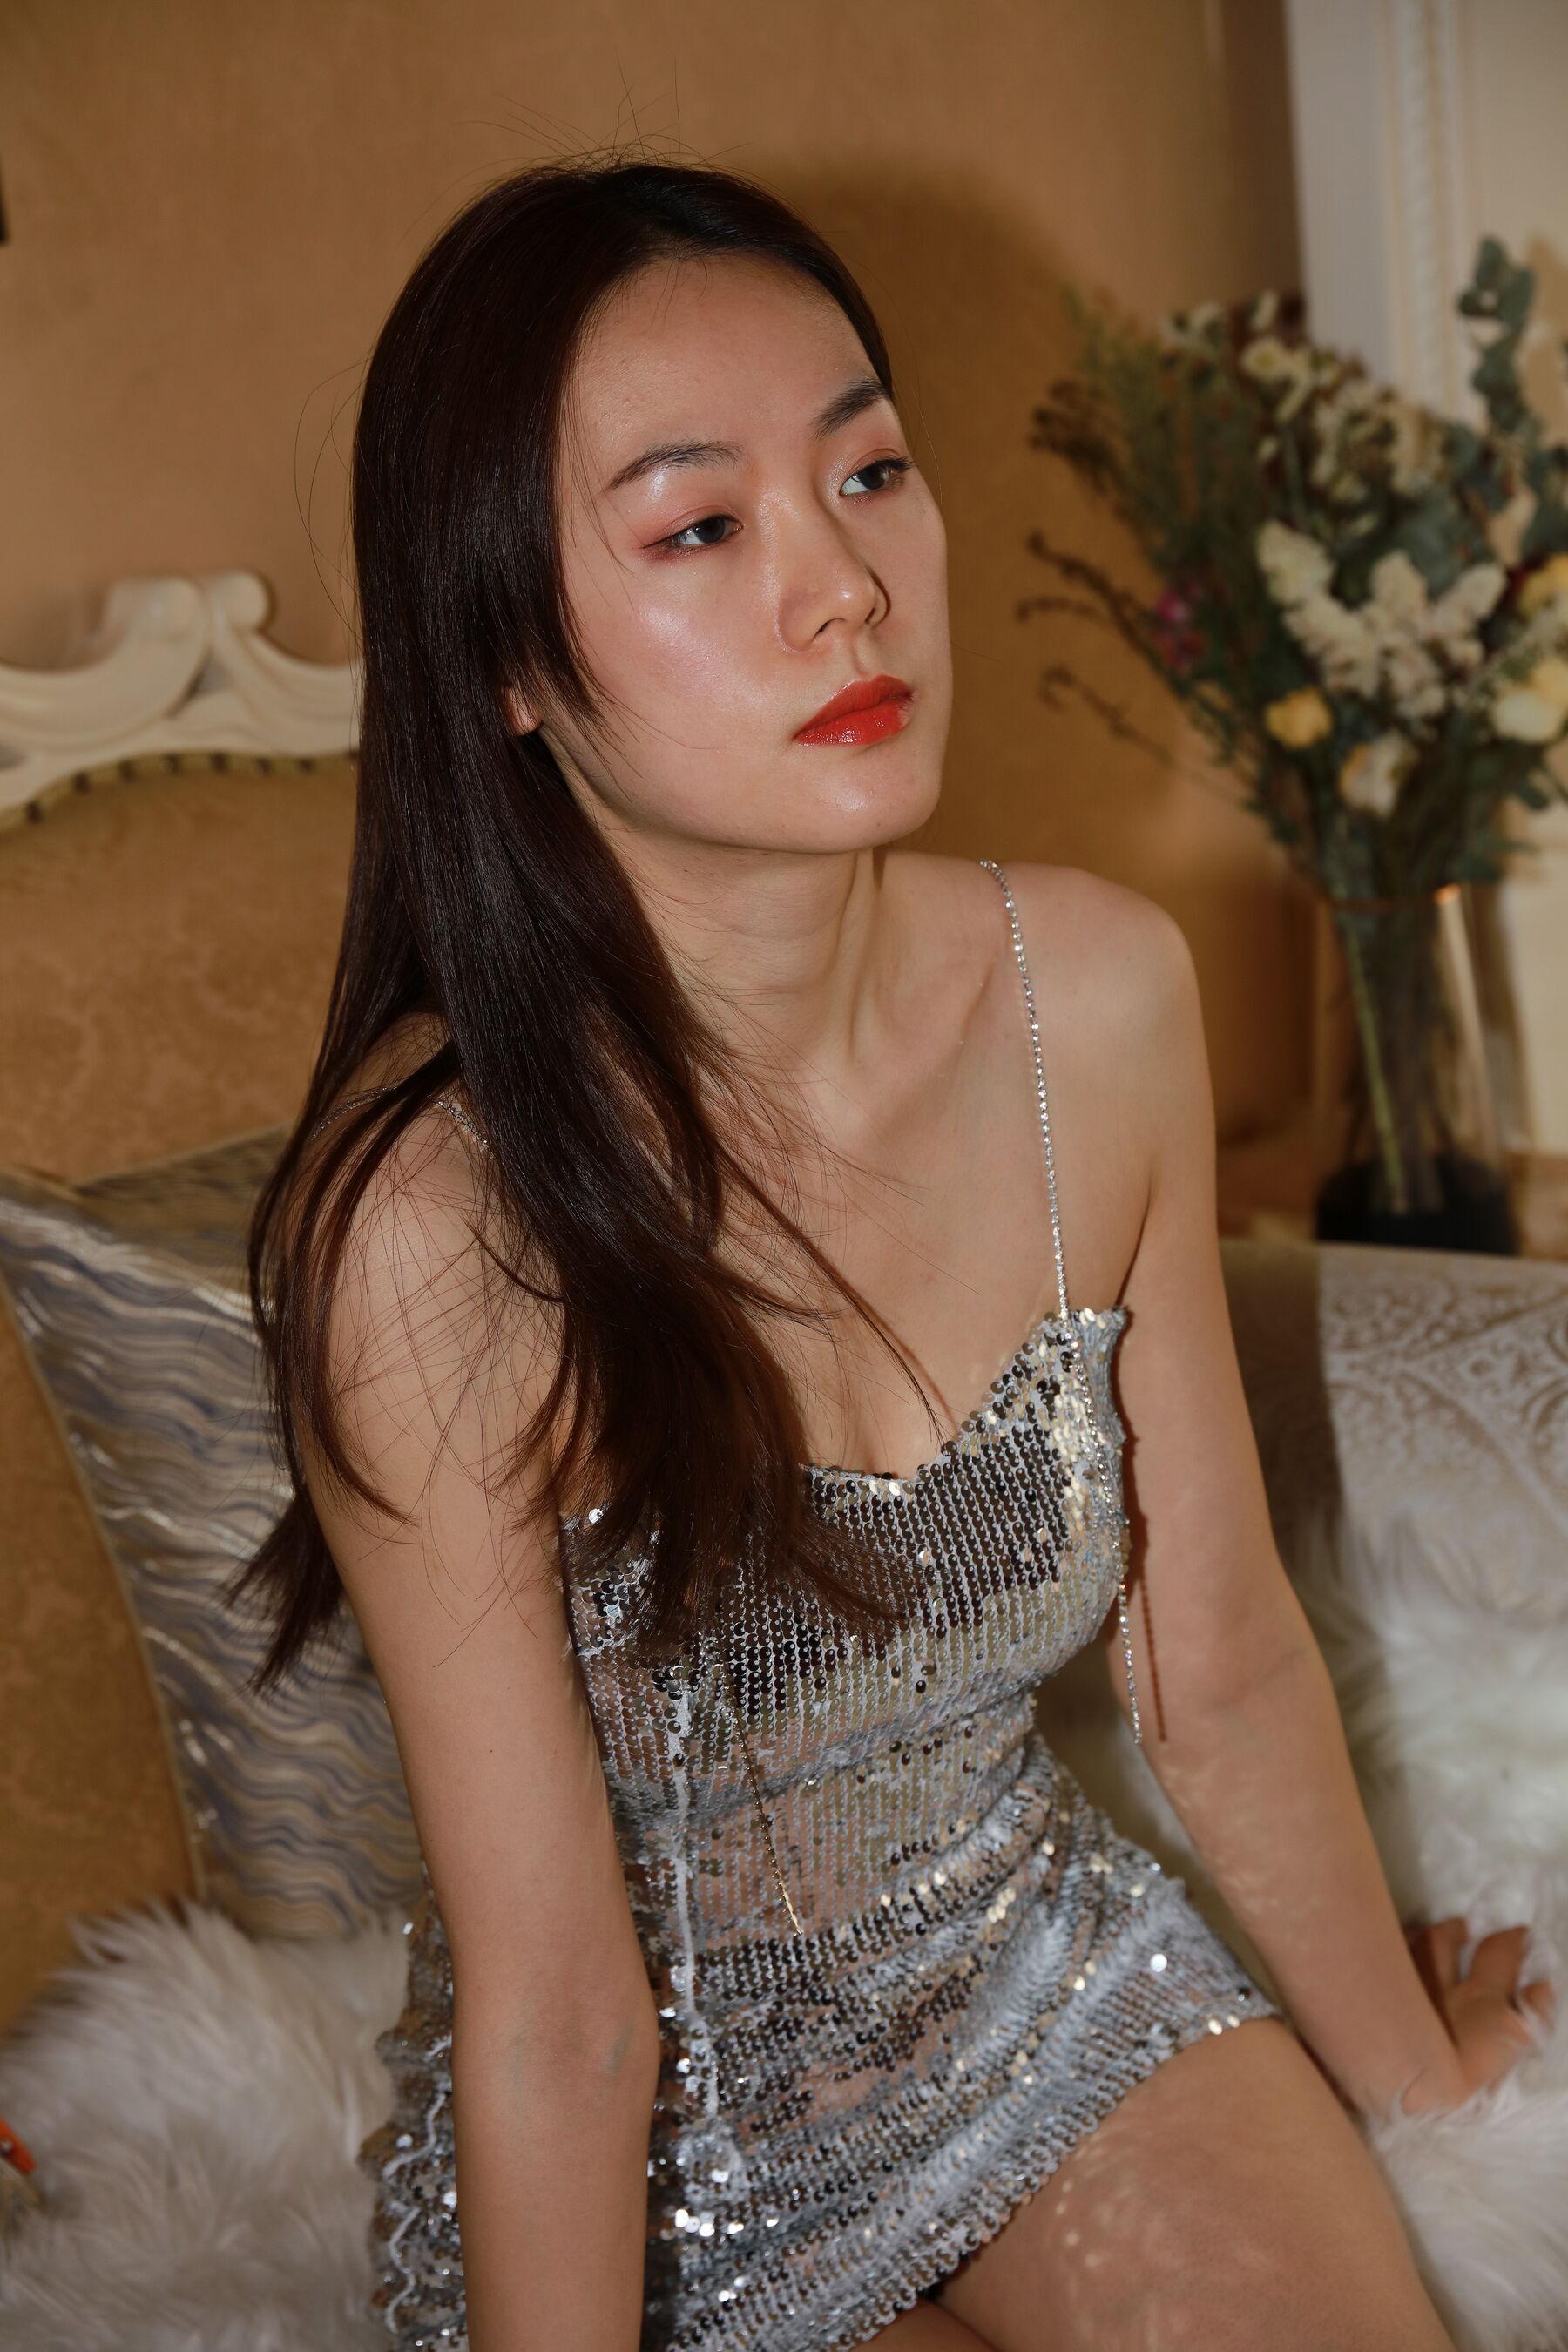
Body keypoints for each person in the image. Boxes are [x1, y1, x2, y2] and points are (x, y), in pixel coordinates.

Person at [238, 152, 1552, 2352]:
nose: (846, 587)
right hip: (660, 2168)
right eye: (701, 526)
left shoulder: (1092, 999)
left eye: (869, 472)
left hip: (1039, 1989)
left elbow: (1216, 1667)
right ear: (506, 663)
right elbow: (559, 2011)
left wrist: (1429, 2092)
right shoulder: (429, 1227)